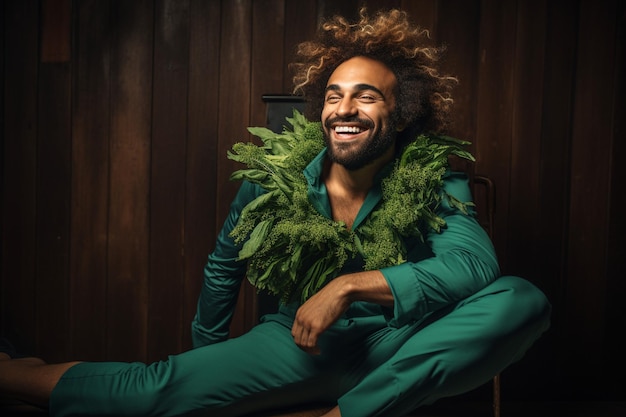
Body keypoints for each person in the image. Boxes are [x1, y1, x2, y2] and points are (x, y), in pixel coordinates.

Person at [0, 8, 551, 417]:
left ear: (401, 114)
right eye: (334, 96)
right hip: (301, 346)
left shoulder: (436, 178)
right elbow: (224, 265)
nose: (345, 109)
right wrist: (206, 363)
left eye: (367, 96)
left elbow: (475, 268)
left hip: (406, 340)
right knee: (153, 391)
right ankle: (13, 374)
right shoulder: (274, 182)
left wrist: (349, 286)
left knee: (523, 300)